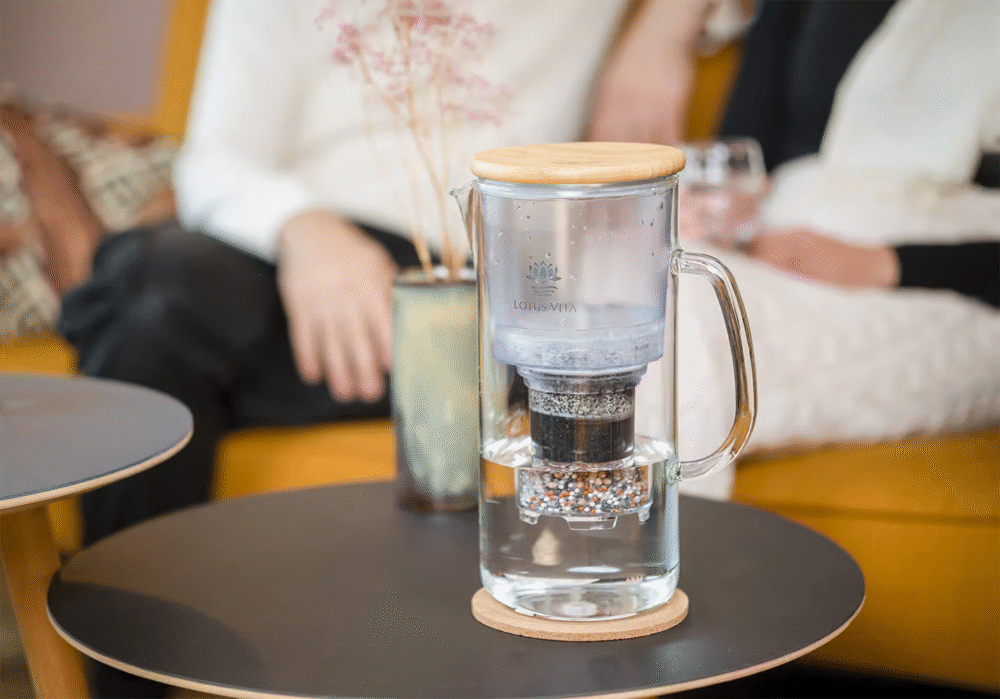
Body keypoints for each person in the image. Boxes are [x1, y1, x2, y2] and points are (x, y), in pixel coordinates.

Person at [593, 0, 1000, 499]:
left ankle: (666, 561)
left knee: (679, 314)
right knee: (614, 280)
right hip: (784, 240)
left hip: (948, 278)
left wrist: (885, 262)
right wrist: (719, 208)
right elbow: (746, 149)